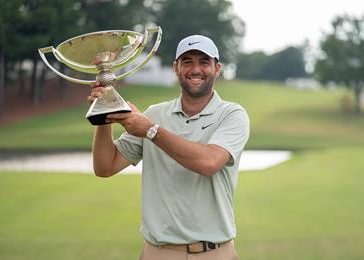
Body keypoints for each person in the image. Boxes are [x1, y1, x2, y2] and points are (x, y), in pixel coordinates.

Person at [87, 35, 250, 260]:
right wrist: (104, 112)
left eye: (204, 62)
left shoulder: (232, 114)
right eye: (187, 61)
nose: (196, 69)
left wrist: (151, 130)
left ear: (217, 68)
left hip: (215, 252)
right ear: (176, 68)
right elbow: (105, 167)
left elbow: (208, 163)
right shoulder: (155, 114)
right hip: (159, 252)